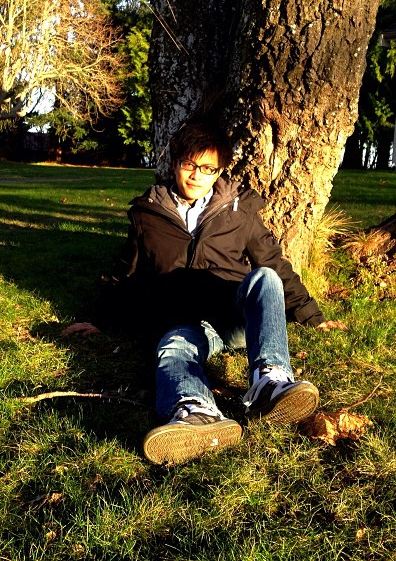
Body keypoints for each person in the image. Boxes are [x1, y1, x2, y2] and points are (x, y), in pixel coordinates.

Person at [64, 119, 345, 465]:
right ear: (174, 162)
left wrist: (312, 316)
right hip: (186, 323)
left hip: (235, 316)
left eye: (208, 168)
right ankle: (196, 412)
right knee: (173, 346)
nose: (197, 175)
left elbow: (275, 262)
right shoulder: (147, 215)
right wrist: (98, 319)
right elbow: (126, 274)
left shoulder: (239, 211)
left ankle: (270, 381)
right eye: (189, 165)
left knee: (265, 279)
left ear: (220, 170)